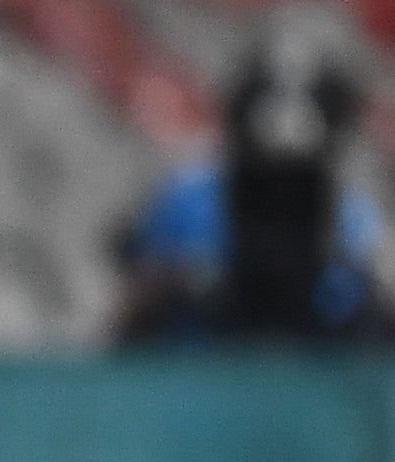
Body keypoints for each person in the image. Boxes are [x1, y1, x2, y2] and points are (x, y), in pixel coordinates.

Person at [118, 24, 382, 343]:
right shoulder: (187, 201)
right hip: (196, 371)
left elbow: (364, 315)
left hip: (309, 376)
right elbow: (137, 285)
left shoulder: (350, 218)